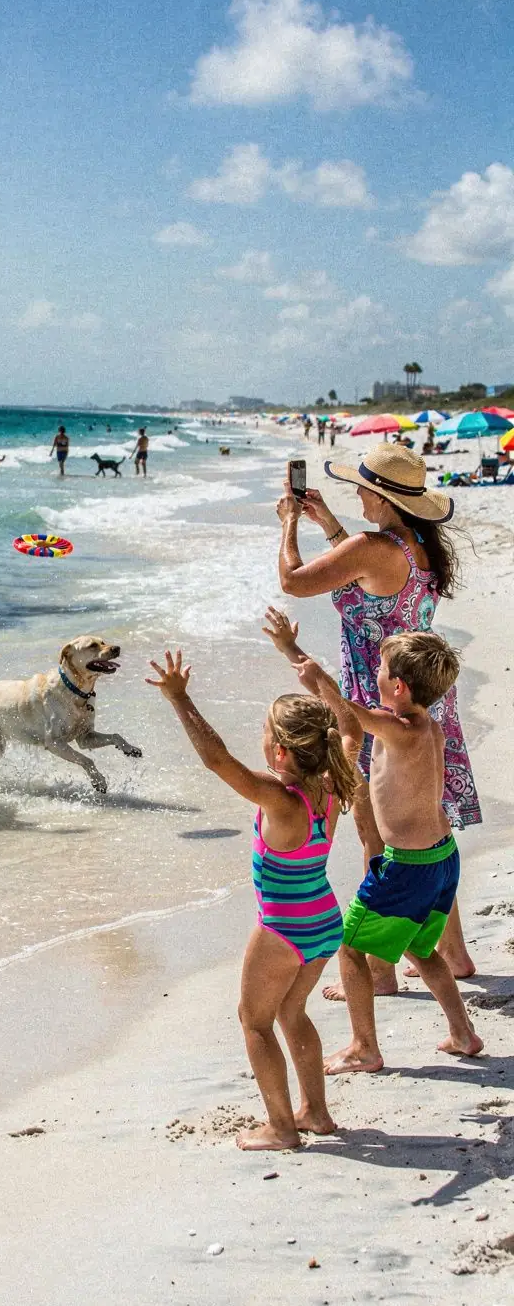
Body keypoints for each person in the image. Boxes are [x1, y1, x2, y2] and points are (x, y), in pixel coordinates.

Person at [276, 444, 479, 993]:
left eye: (363, 489)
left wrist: (288, 525)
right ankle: (453, 953)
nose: (358, 494)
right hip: (426, 698)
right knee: (428, 827)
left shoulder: (373, 546)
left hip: (380, 704)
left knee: (378, 831)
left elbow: (294, 581)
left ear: (382, 498)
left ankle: (381, 970)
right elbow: (369, 577)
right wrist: (329, 524)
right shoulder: (416, 545)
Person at [147, 628, 359, 1152]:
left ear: (280, 751)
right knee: (293, 1013)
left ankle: (282, 1128)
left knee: (255, 1022)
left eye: (266, 735)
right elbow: (350, 729)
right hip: (324, 920)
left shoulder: (279, 799)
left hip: (283, 928)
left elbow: (219, 761)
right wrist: (317, 680)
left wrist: (180, 699)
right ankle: (316, 1113)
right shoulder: (333, 782)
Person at [294, 633, 483, 1072]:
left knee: (351, 947)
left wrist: (320, 679)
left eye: (380, 671)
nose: (374, 676)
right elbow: (362, 716)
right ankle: (463, 1033)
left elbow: (350, 714)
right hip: (441, 856)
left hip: (407, 867)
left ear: (398, 686)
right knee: (418, 946)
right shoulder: (427, 726)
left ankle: (364, 1047)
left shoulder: (398, 732)